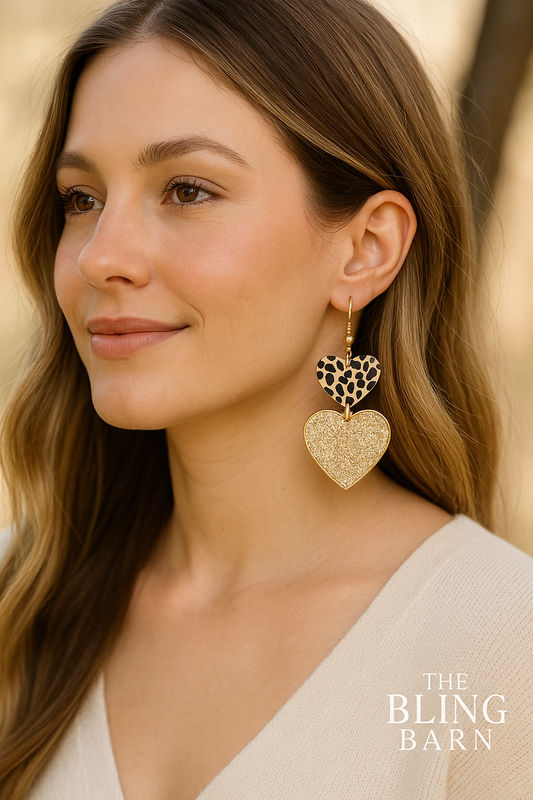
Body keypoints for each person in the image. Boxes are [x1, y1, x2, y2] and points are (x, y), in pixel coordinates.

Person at [0, 0, 532, 797]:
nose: (100, 257)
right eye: (82, 199)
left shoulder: (496, 644)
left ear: (365, 249)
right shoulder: (16, 603)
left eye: (186, 190)